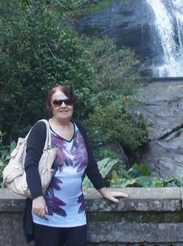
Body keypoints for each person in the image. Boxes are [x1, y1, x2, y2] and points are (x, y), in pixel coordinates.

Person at [24, 85, 128, 246]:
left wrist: (104, 191)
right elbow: (30, 165)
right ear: (50, 106)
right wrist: (37, 197)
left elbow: (90, 164)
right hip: (47, 214)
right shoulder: (41, 129)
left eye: (68, 101)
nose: (63, 105)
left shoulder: (79, 129)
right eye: (58, 102)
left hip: (76, 213)